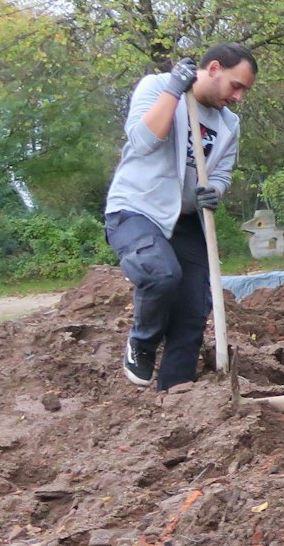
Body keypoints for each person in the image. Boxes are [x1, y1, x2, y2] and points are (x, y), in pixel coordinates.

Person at [103, 43, 257, 390]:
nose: (239, 97)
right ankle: (141, 344)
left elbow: (221, 174)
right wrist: (174, 90)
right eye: (236, 86)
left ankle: (176, 399)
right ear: (213, 68)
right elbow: (141, 142)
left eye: (244, 91)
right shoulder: (158, 87)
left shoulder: (228, 124)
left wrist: (213, 193)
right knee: (160, 273)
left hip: (186, 218)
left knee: (192, 311)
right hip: (137, 208)